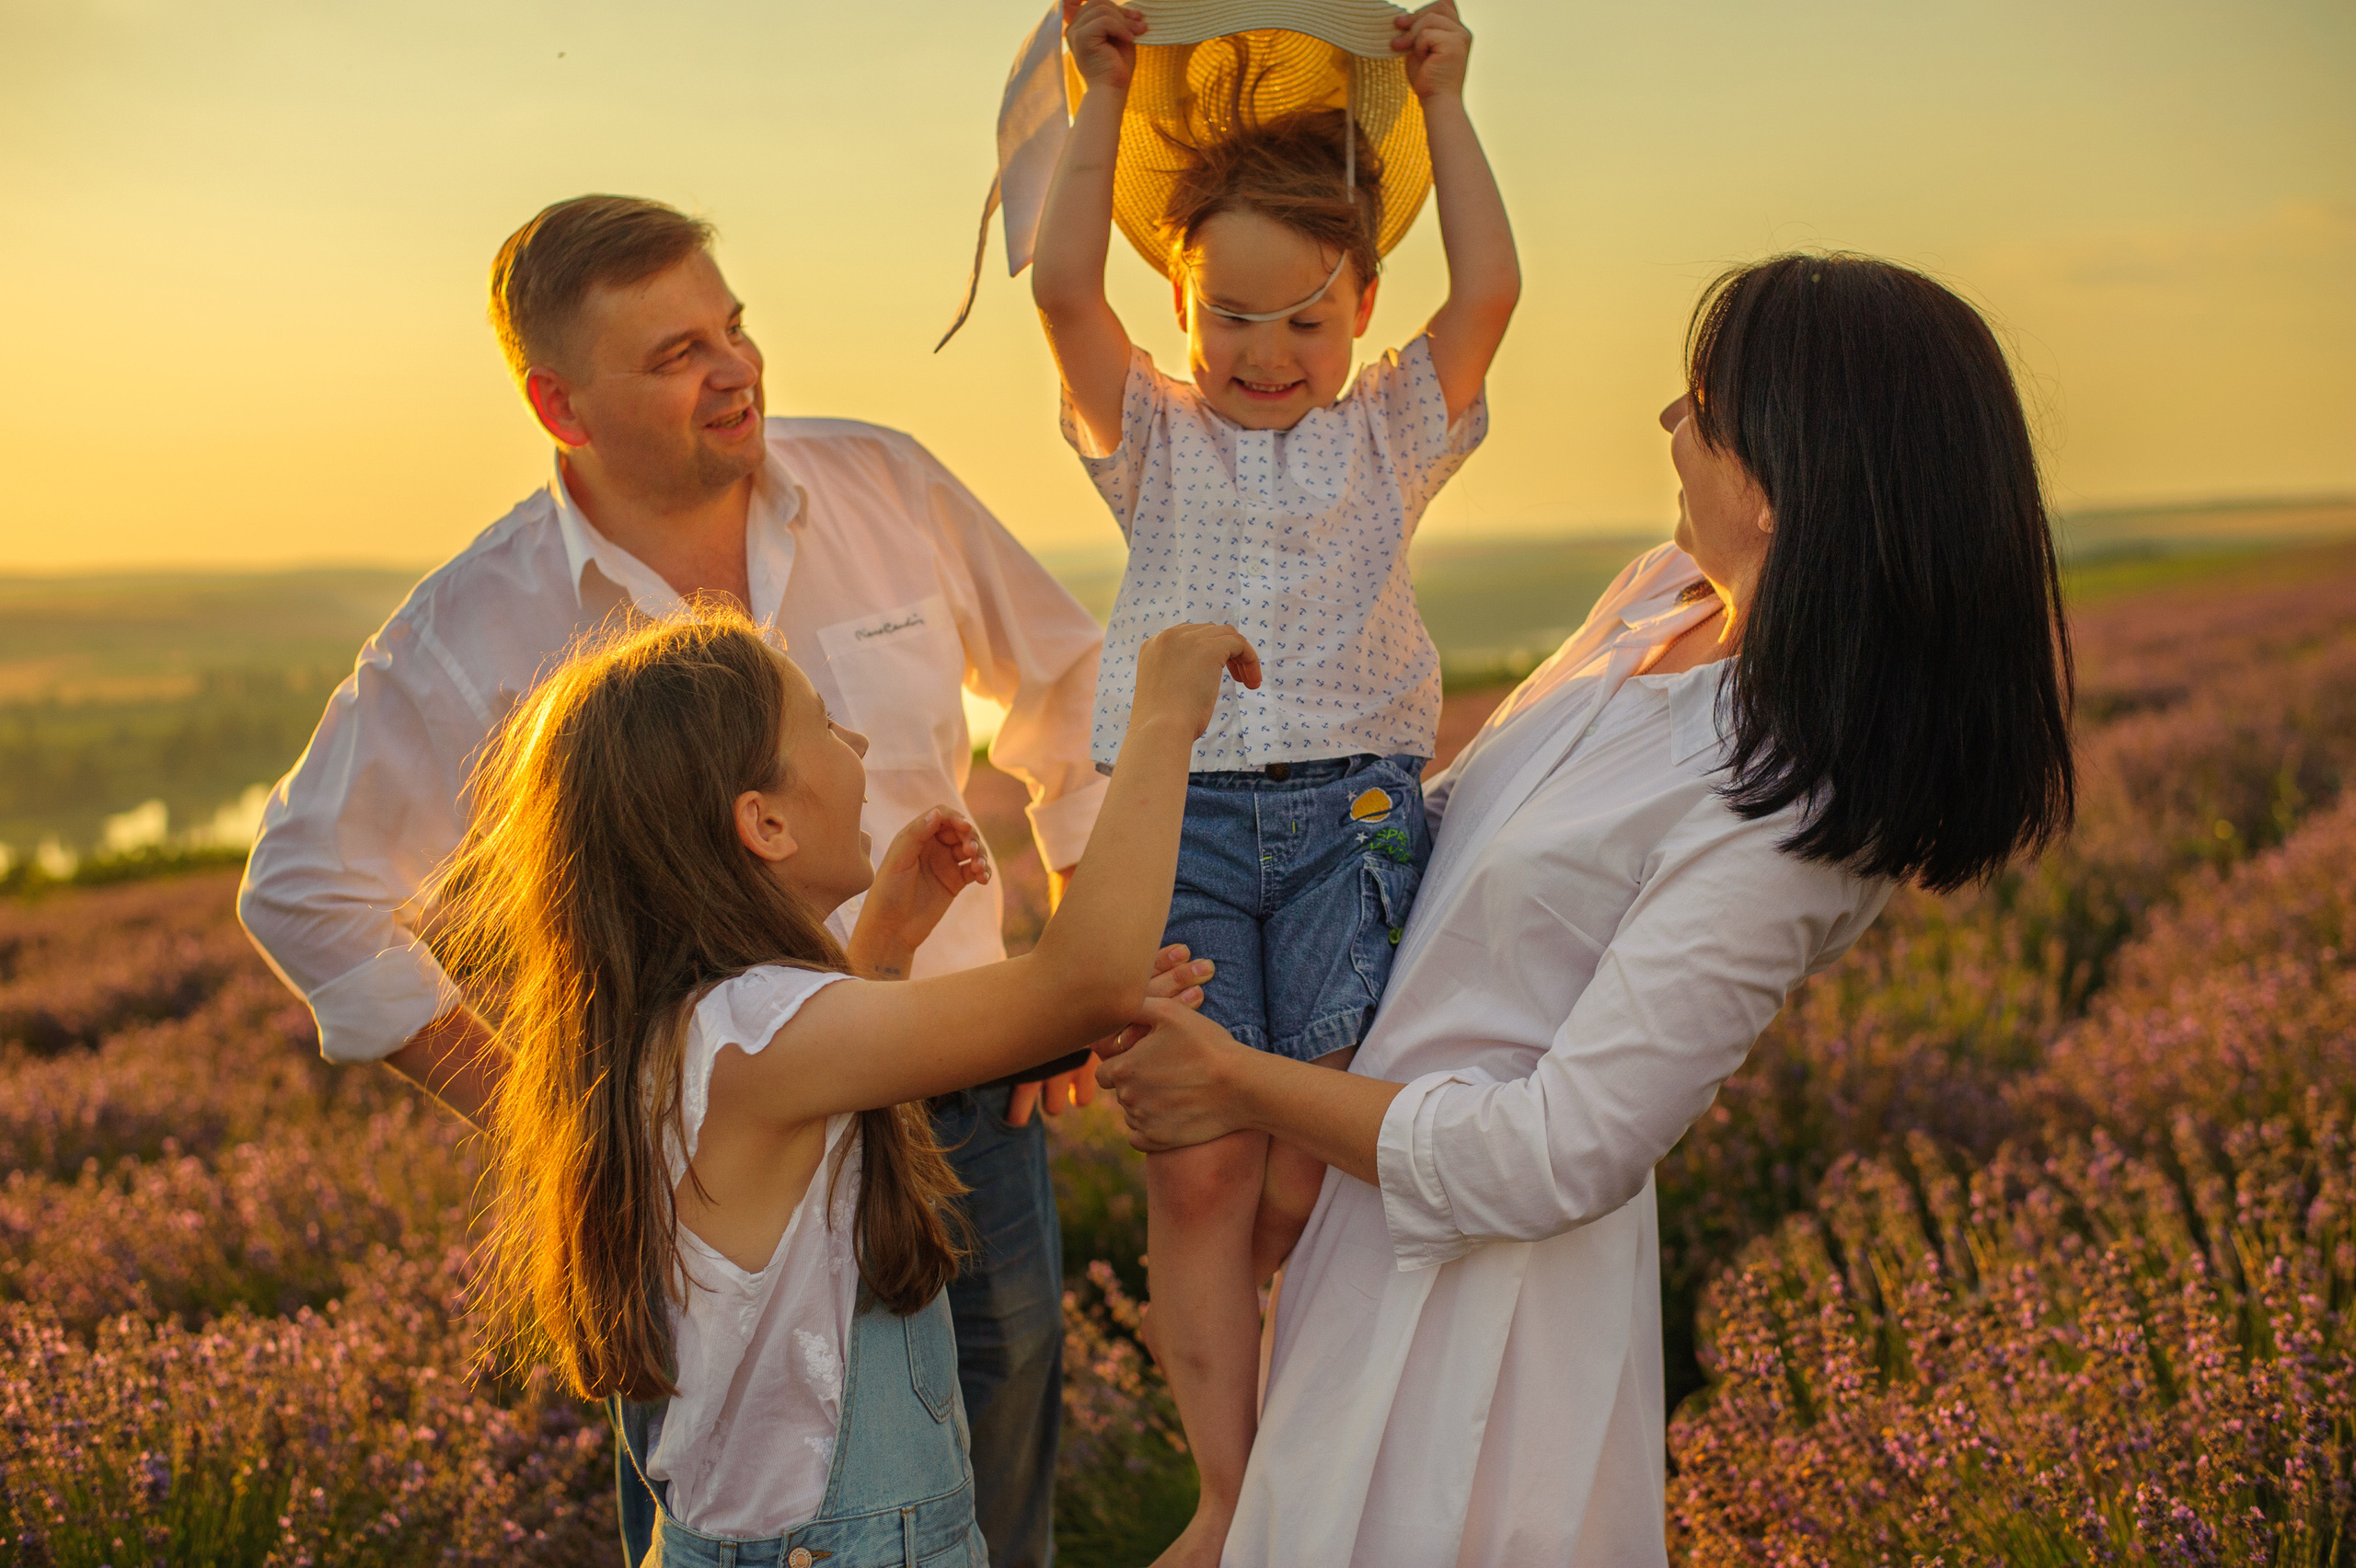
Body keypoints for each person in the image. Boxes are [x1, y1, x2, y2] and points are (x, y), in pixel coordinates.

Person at [1095, 252, 2079, 1565]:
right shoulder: (1652, 603)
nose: (1670, 427)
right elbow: (1439, 838)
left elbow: (1554, 1154)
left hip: (1478, 1339)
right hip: (1349, 1230)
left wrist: (1238, 1086)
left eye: (1704, 406)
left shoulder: (1789, 815)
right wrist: (1208, 931)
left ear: (1788, 485)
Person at [236, 195, 1107, 1568]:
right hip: (704, 1175)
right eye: (675, 353)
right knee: (727, 1509)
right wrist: (554, 1110)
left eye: (734, 326)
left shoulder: (886, 482)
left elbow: (1068, 680)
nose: (736, 367)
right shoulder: (476, 624)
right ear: (560, 406)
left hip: (963, 1098)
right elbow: (300, 886)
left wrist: (1066, 984)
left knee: (978, 1487)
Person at [445, 611, 1252, 1566]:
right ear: (765, 823)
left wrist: (883, 954)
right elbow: (1080, 981)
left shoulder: (698, 1028)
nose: (857, 742)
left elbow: (808, 1174)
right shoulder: (756, 1034)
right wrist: (1160, 718)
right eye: (825, 724)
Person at [1029, 3, 1518, 1557]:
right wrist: (1095, 89)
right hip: (1177, 826)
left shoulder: (1392, 433)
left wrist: (1445, 101)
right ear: (1182, 309)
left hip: (1349, 825)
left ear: (1367, 305)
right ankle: (1230, 1496)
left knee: (1310, 1178)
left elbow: (1494, 285)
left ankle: (1318, 1469)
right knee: (1200, 1171)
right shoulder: (1153, 442)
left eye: (1307, 318)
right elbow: (1055, 282)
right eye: (1230, 317)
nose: (1266, 353)